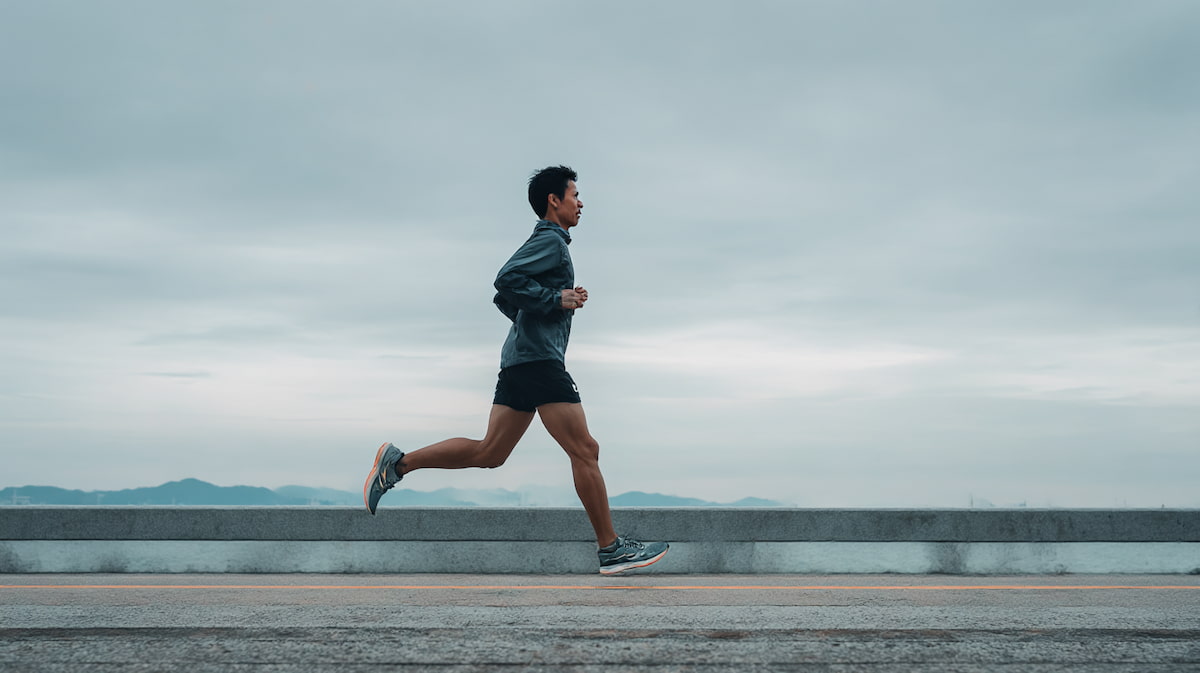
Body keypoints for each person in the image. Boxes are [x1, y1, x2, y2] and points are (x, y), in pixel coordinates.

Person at [363, 165, 668, 575]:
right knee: (585, 450)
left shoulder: (547, 244)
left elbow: (507, 298)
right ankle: (611, 549)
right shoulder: (551, 242)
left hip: (522, 360)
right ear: (553, 201)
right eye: (575, 194)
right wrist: (553, 299)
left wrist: (555, 298)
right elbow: (506, 280)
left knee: (491, 452)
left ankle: (398, 464)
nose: (581, 203)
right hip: (540, 361)